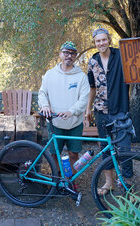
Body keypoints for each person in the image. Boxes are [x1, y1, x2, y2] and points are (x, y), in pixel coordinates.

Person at [86, 24, 140, 195]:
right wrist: (88, 109)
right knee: (106, 149)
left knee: (124, 149)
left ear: (108, 40)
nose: (101, 43)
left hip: (120, 111)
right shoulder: (92, 61)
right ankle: (109, 183)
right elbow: (92, 88)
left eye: (103, 39)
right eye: (98, 41)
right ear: (95, 43)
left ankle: (127, 184)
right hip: (101, 112)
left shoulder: (121, 55)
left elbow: (139, 54)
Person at [38, 41, 90, 179]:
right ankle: (58, 179)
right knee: (54, 153)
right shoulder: (50, 74)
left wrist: (71, 111)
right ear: (60, 54)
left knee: (74, 154)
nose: (69, 56)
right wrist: (44, 105)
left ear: (75, 56)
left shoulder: (81, 77)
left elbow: (84, 99)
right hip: (55, 123)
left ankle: (71, 181)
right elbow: (42, 93)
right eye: (66, 52)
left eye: (72, 53)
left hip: (74, 123)